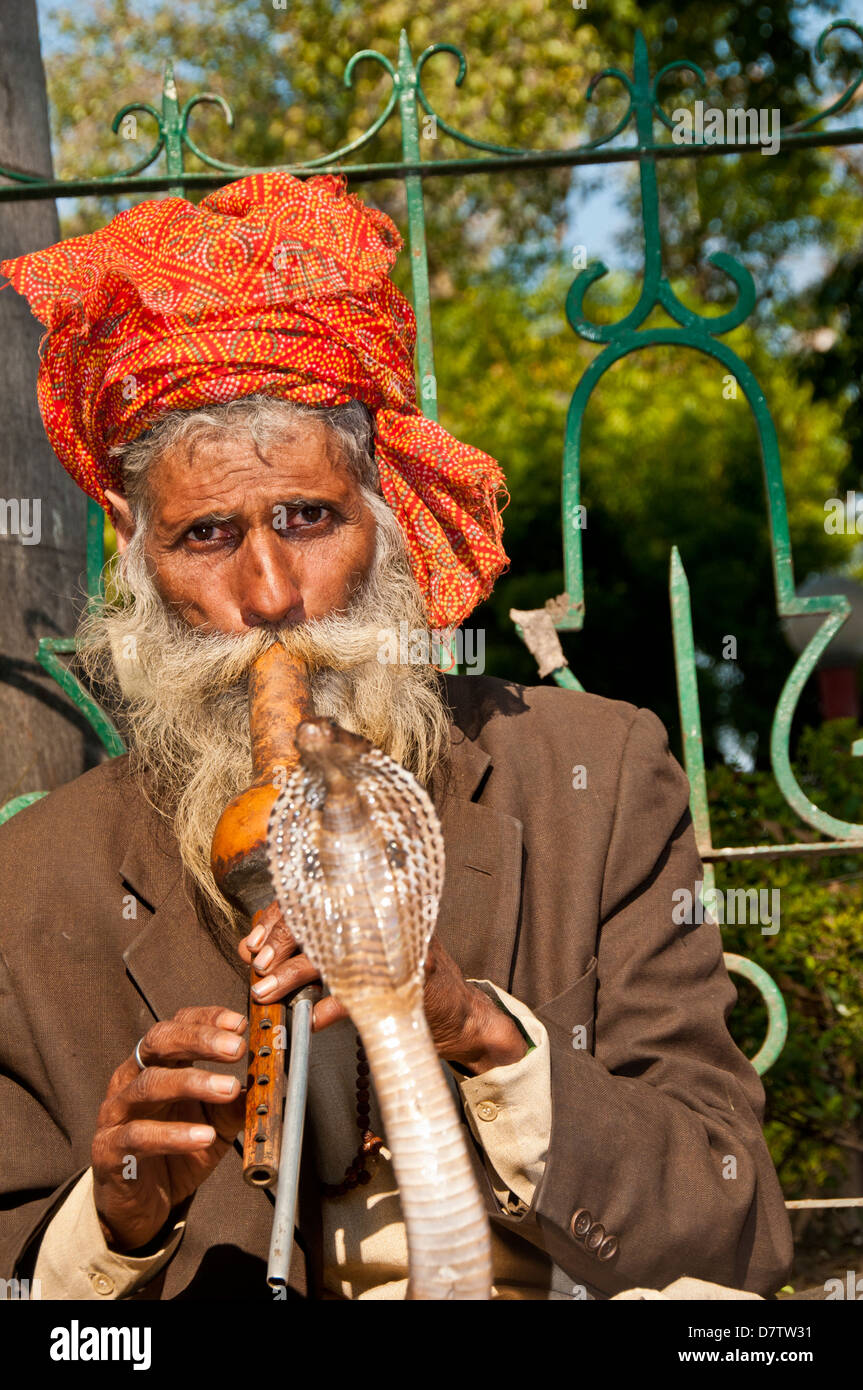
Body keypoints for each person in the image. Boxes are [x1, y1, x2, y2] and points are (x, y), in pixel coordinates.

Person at [0, 173, 793, 1301]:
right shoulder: (37, 880)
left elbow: (731, 1229)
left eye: (307, 519)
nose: (270, 592)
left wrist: (477, 1029)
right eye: (207, 535)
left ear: (385, 511)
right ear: (135, 550)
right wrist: (115, 1219)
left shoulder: (592, 778)